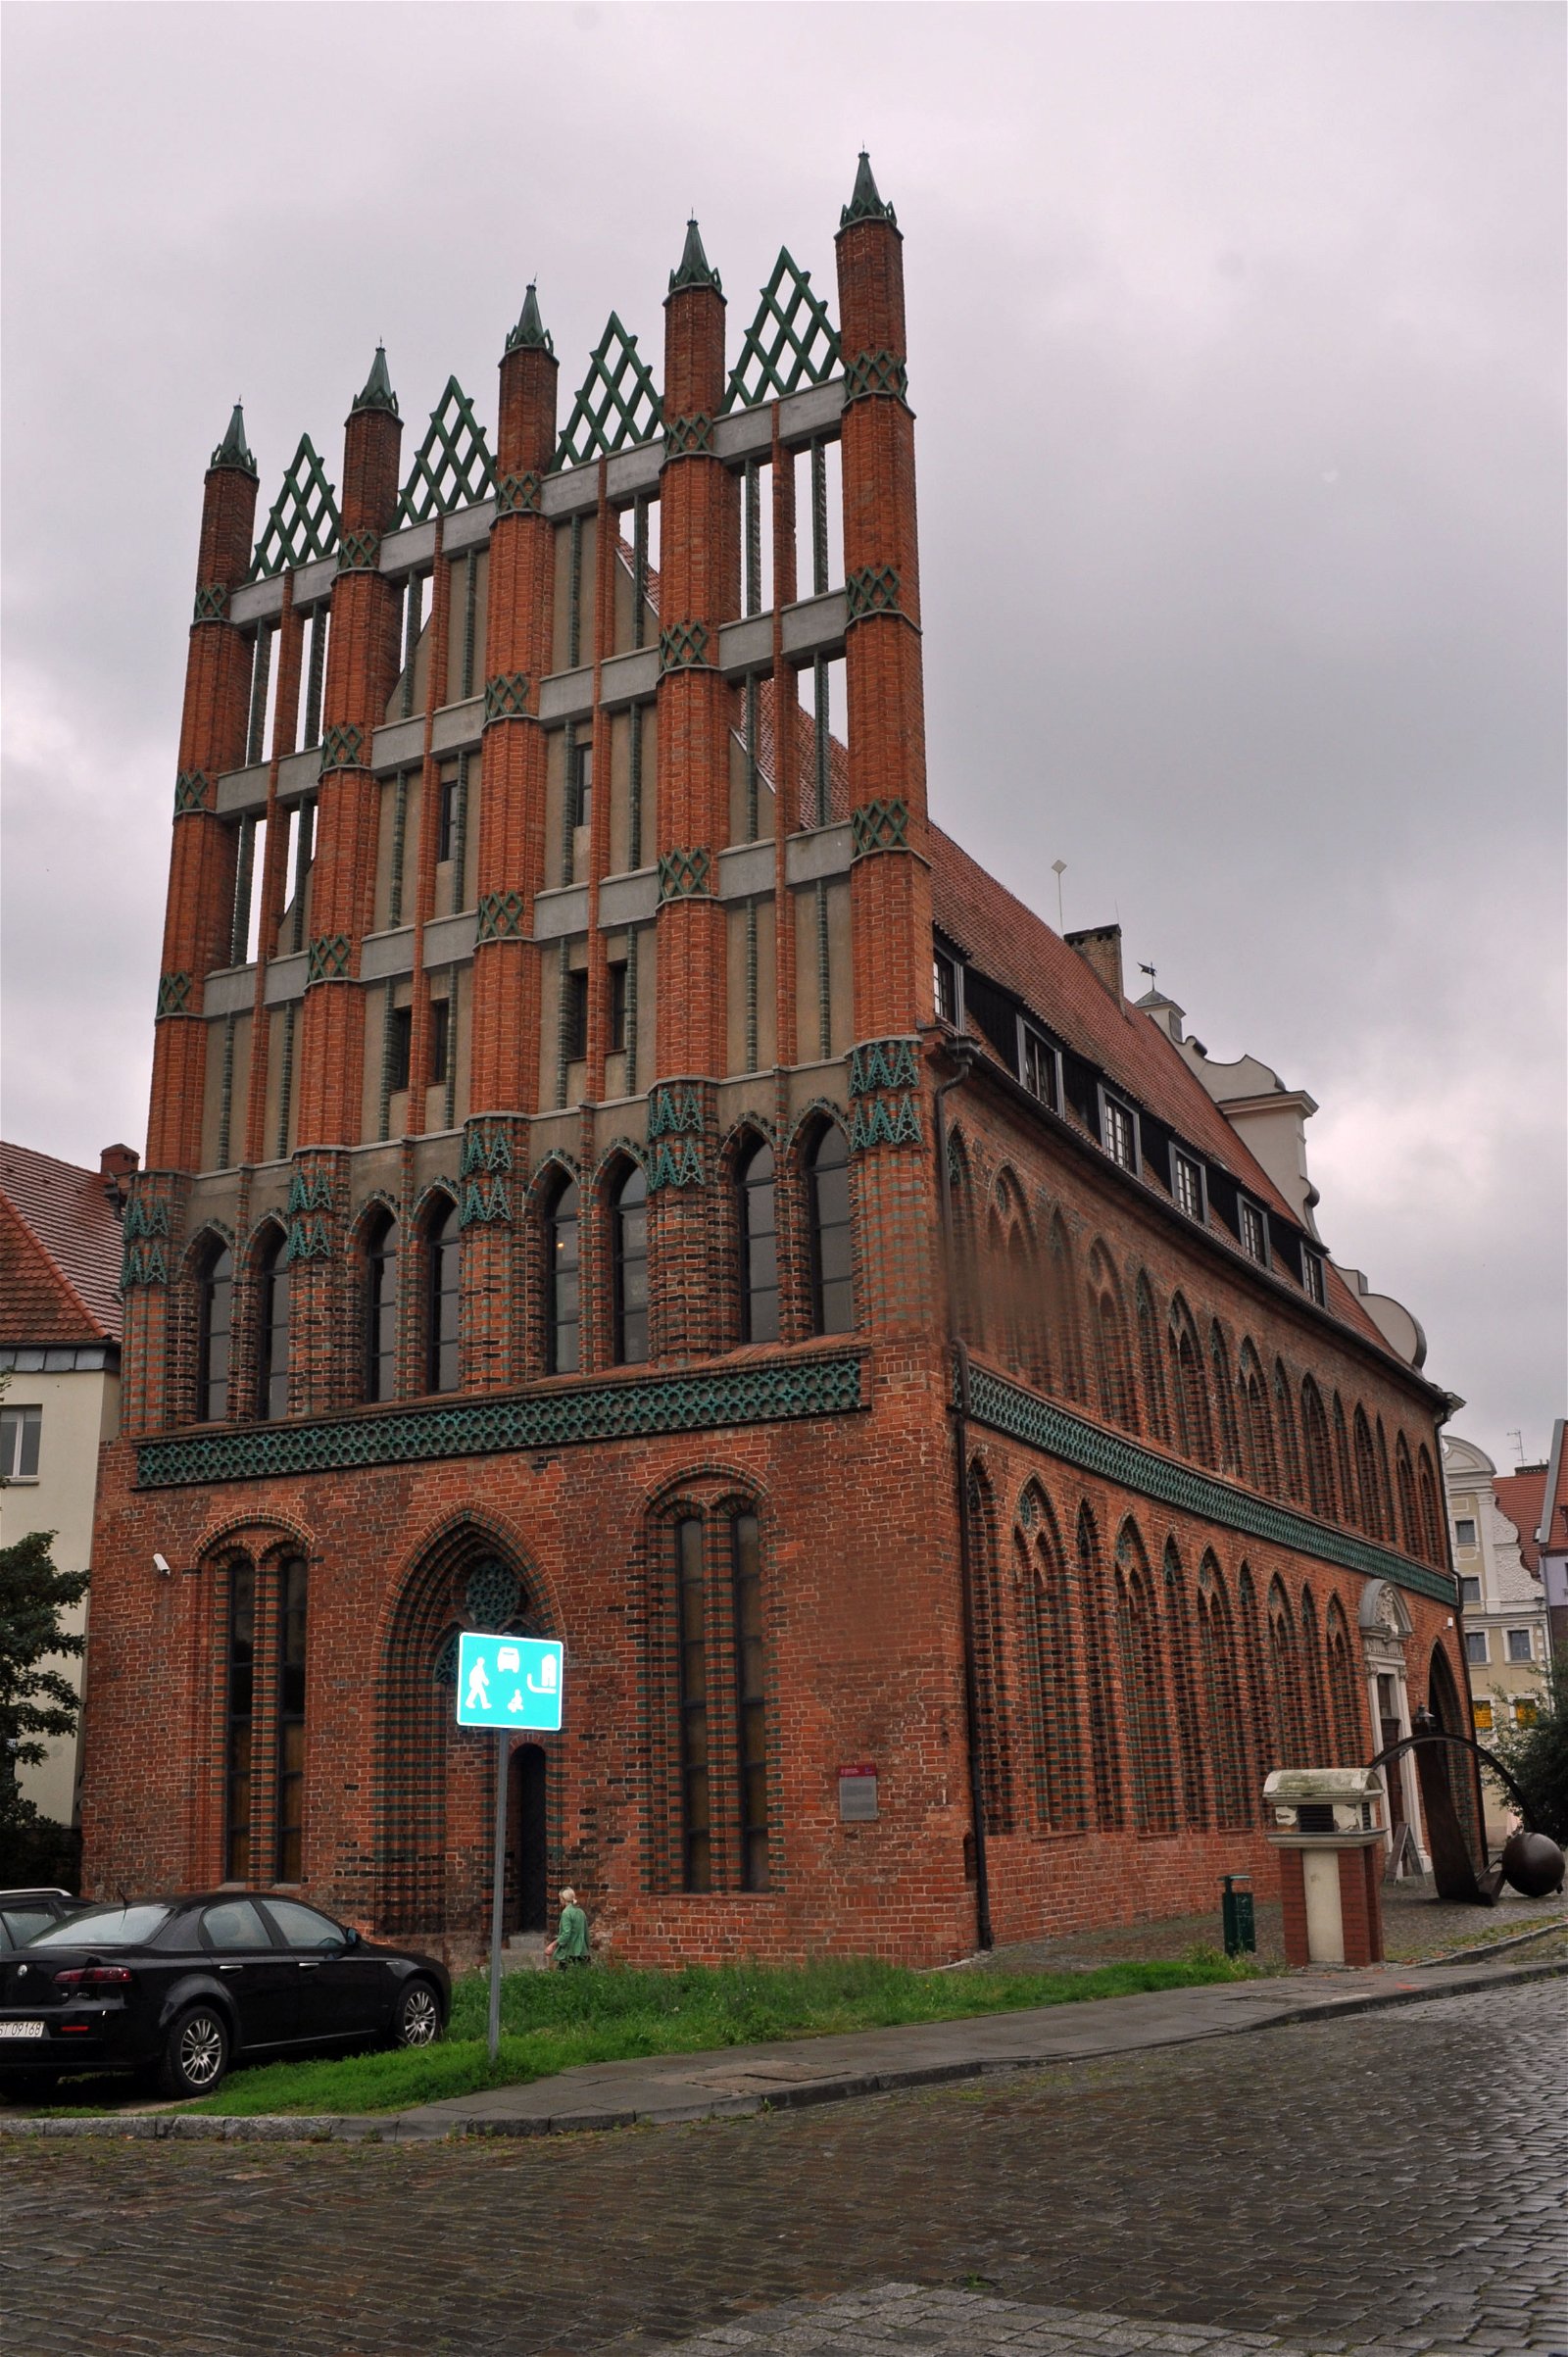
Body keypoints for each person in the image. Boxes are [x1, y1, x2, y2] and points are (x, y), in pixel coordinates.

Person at [544, 1887, 589, 1968]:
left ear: (563, 1899)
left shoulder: (566, 1913)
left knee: (563, 1978)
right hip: (582, 1952)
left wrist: (552, 1945)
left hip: (570, 1952)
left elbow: (566, 1934)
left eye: (560, 1898)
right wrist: (586, 1950)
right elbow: (586, 1934)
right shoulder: (581, 1912)